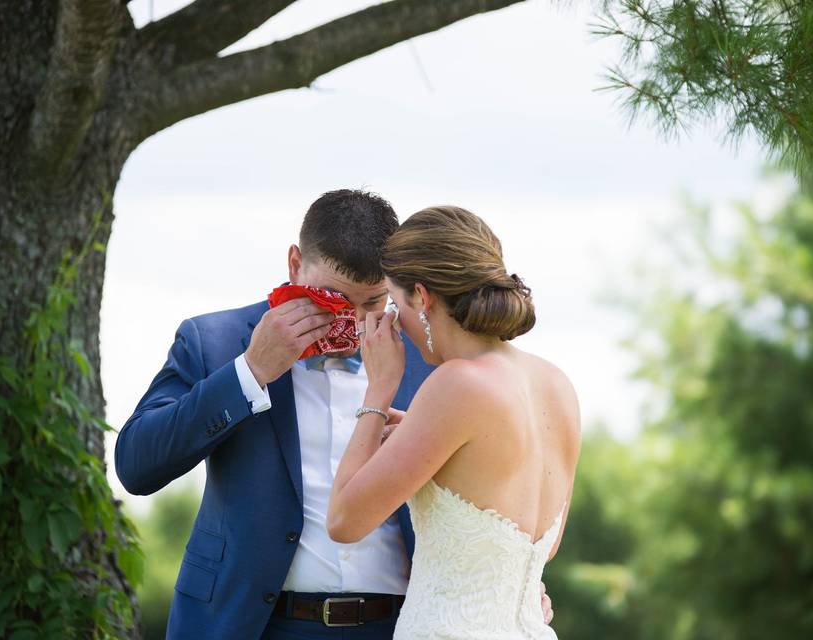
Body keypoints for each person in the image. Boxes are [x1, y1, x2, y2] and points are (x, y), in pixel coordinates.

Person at [113, 191, 555, 639]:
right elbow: (136, 466)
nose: (353, 324)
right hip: (250, 624)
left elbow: (490, 488)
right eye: (332, 300)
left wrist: (509, 581)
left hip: (398, 625)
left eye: (373, 303)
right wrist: (249, 372)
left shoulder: (434, 361)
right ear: (294, 265)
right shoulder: (216, 341)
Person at [327, 205, 581, 639]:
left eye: (394, 300)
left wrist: (378, 392)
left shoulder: (456, 383)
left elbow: (344, 521)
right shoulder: (556, 383)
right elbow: (542, 543)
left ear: (422, 298)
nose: (393, 320)